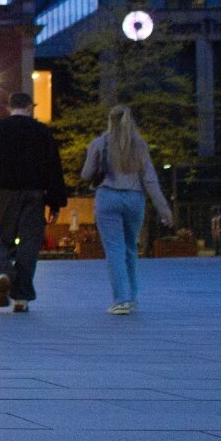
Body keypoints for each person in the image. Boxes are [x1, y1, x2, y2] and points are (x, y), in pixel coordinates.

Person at [0, 91, 68, 312]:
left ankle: (4, 272)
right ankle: (21, 298)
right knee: (29, 244)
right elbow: (54, 169)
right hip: (34, 194)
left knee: (0, 239)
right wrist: (55, 203)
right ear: (30, 107)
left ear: (10, 107)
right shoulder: (42, 132)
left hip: (4, 194)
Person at [80, 105, 173, 315]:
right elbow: (149, 179)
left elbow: (86, 174)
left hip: (107, 198)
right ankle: (131, 297)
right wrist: (163, 209)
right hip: (134, 198)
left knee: (114, 250)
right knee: (131, 247)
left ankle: (120, 300)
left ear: (109, 121)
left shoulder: (99, 143)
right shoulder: (140, 146)